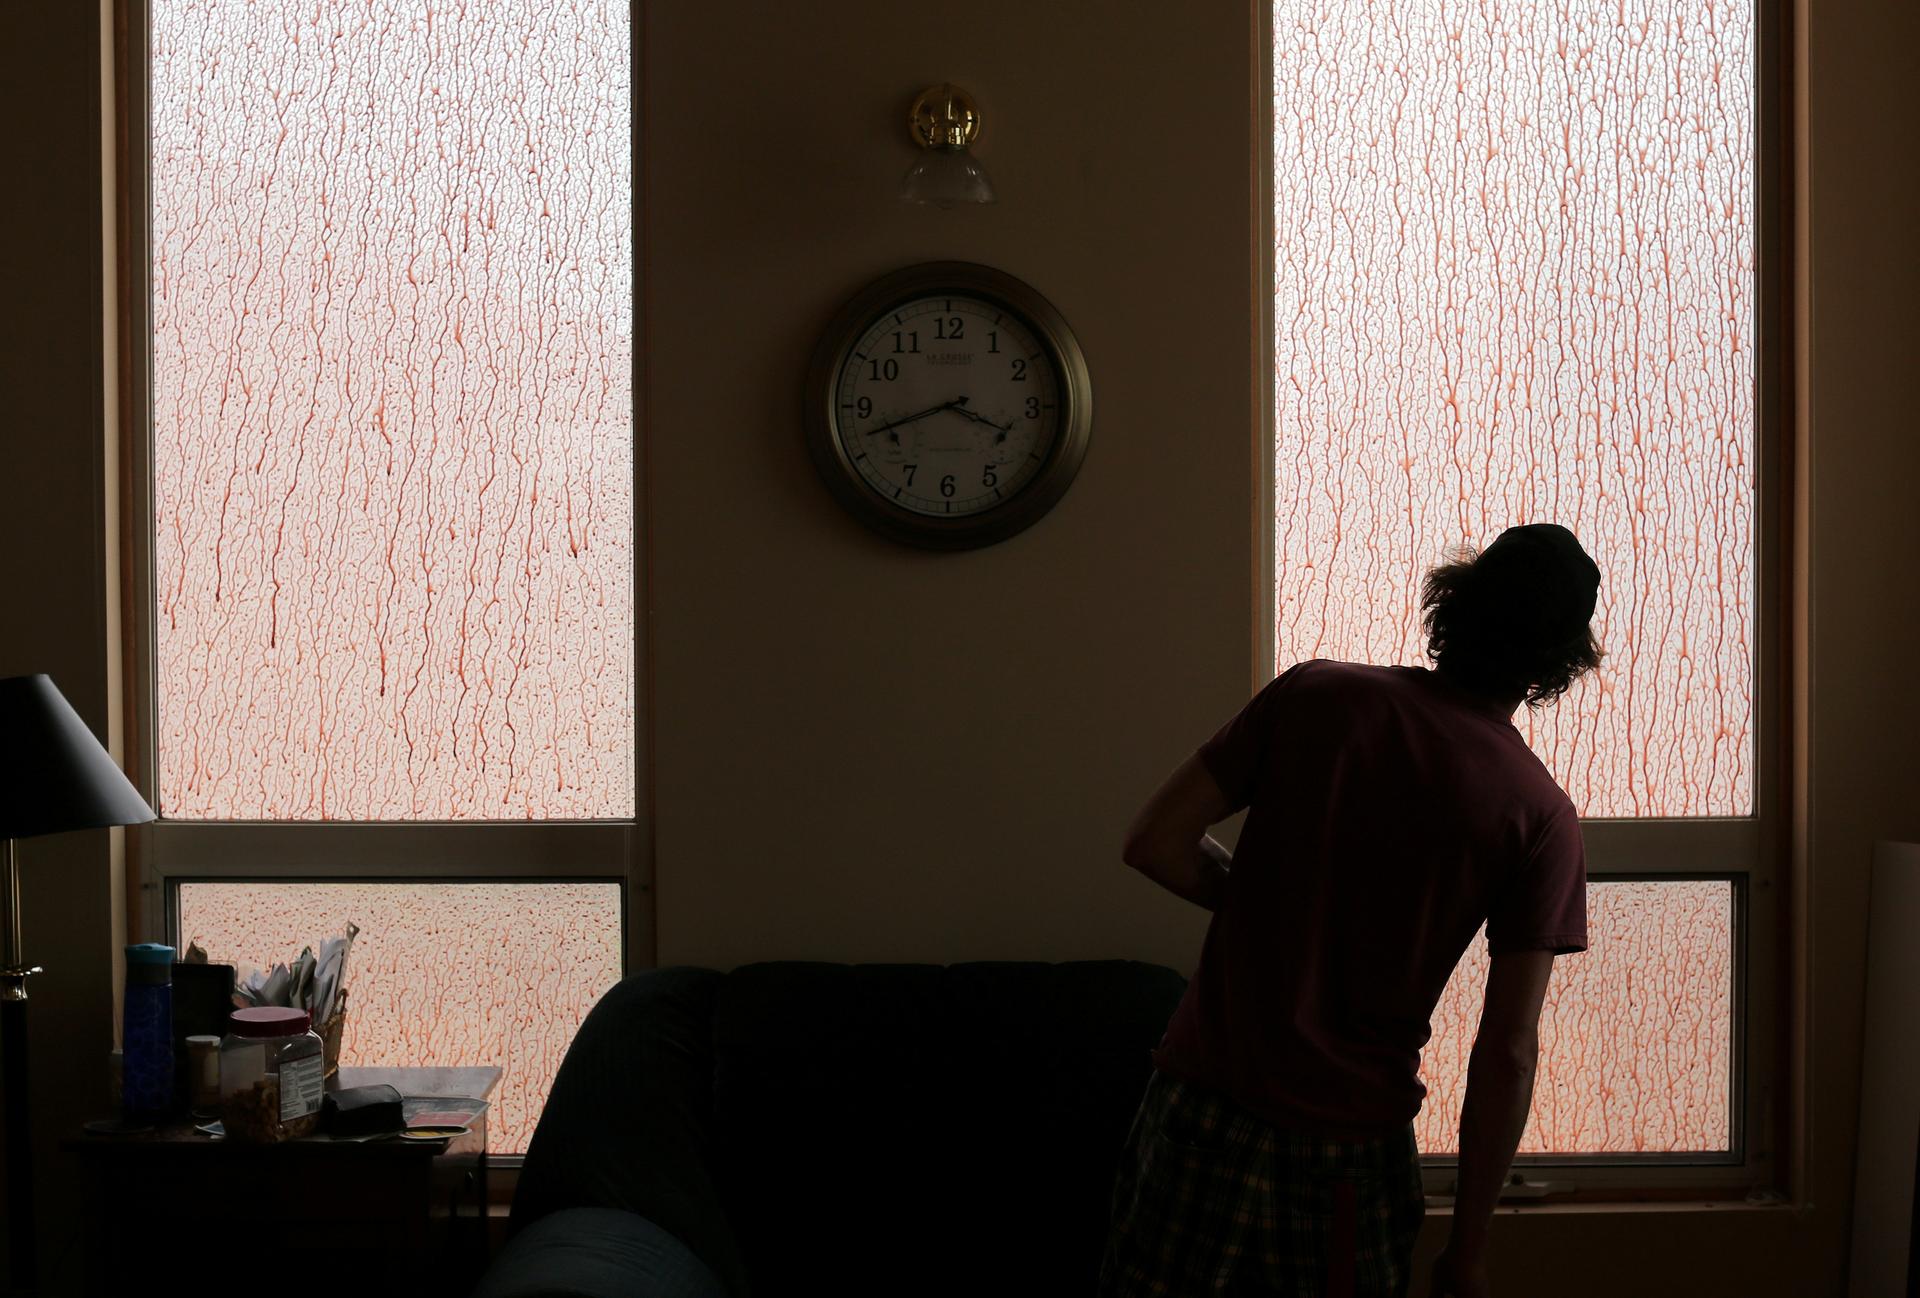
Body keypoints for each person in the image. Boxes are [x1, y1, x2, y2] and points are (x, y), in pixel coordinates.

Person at [1099, 523, 1604, 1298]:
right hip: (1345, 1157)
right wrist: (1468, 1250)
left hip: (1199, 1115)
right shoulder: (1539, 817)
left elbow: (1156, 843)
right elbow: (1507, 1052)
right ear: (1561, 662)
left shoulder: (1317, 695)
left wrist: (1272, 912)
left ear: (1456, 603)